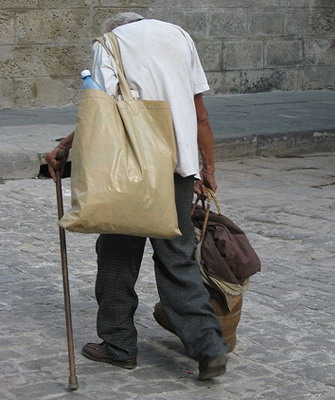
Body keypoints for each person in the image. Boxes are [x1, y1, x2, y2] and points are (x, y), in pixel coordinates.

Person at [45, 12, 228, 380]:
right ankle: (209, 347)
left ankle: (119, 345)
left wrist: (66, 147)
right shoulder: (179, 37)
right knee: (177, 255)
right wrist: (207, 168)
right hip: (178, 164)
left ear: (114, 29)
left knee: (116, 254)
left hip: (128, 168)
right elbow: (200, 115)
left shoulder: (109, 44)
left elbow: (101, 112)